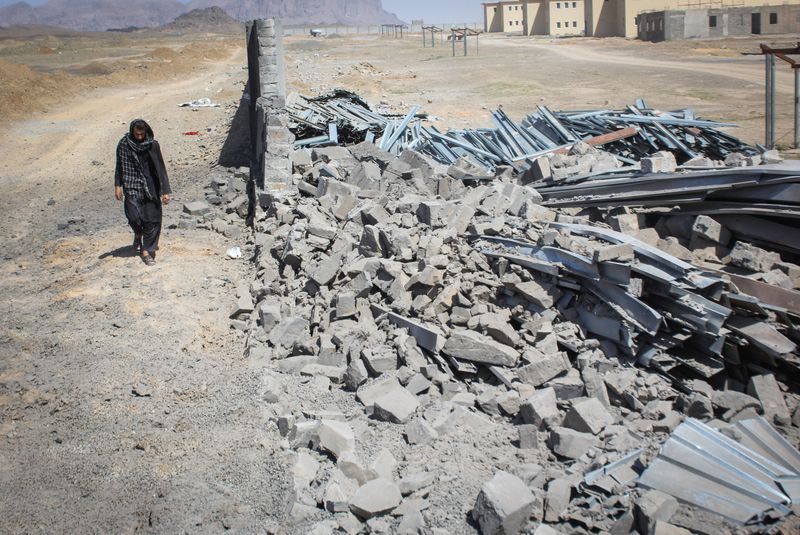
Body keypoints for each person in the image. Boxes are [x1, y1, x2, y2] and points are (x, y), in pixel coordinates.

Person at [114, 119, 171, 266]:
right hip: (131, 185)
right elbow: (119, 165)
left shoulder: (153, 145)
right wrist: (118, 185)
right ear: (132, 132)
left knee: (152, 220)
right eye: (136, 134)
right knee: (133, 217)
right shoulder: (124, 144)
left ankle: (147, 251)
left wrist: (165, 191)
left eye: (142, 134)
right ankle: (138, 233)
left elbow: (161, 168)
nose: (139, 137)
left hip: (151, 187)